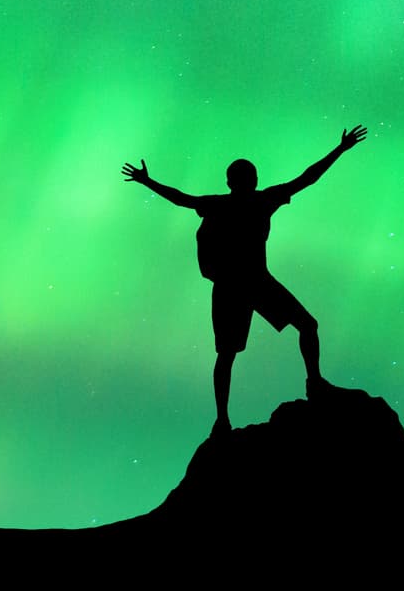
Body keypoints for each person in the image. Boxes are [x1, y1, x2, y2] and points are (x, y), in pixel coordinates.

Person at [125, 128, 368, 433]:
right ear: (252, 180)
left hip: (234, 286)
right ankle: (310, 384)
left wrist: (147, 181)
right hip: (251, 283)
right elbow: (307, 178)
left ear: (230, 182)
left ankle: (224, 418)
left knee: (231, 353)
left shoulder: (224, 204)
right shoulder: (261, 201)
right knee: (302, 327)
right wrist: (340, 149)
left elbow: (181, 200)